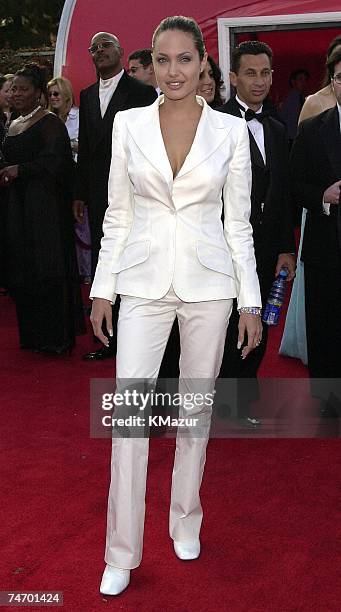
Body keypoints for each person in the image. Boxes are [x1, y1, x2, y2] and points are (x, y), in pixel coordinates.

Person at [89, 15, 262, 596]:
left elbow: (237, 224)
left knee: (195, 415)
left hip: (210, 285)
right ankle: (121, 552)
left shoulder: (231, 133)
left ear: (204, 63)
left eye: (184, 59)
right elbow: (117, 212)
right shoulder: (128, 125)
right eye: (162, 60)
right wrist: (102, 288)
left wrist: (250, 302)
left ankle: (185, 518)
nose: (173, 71)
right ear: (153, 65)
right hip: (140, 281)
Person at [217, 41, 296, 426]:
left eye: (265, 72)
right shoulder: (213, 123)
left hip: (265, 246)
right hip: (222, 245)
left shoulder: (279, 129)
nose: (260, 80)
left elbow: (283, 195)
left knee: (261, 320)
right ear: (233, 78)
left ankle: (242, 399)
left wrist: (286, 248)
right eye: (250, 72)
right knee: (226, 322)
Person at [73, 31, 157, 361]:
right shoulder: (87, 94)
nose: (99, 51)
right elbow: (88, 150)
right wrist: (80, 194)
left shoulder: (142, 92)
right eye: (93, 48)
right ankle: (108, 339)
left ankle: (138, 338)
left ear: (120, 51)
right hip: (98, 194)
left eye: (106, 45)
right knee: (104, 263)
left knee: (135, 263)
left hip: (136, 193)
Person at [0, 64, 84, 354]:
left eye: (24, 89)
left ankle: (56, 338)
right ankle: (33, 335)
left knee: (47, 269)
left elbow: (57, 164)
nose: (16, 94)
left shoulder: (50, 123)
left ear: (38, 94)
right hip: (18, 208)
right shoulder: (13, 123)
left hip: (45, 209)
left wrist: (20, 170)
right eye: (13, 89)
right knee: (24, 269)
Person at [280, 34, 341, 365]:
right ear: (333, 82)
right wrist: (323, 195)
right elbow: (293, 183)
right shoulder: (314, 126)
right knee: (327, 334)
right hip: (326, 251)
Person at [48, 76, 91, 282]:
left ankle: (87, 271)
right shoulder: (47, 119)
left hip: (76, 176)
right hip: (56, 179)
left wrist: (69, 145)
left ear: (66, 94)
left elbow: (87, 147)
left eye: (56, 93)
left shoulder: (79, 116)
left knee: (82, 225)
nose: (53, 98)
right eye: (50, 95)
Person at [280, 68, 310, 145]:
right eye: (300, 79)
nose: (303, 83)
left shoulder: (303, 98)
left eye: (305, 80)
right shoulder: (290, 99)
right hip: (291, 138)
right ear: (293, 82)